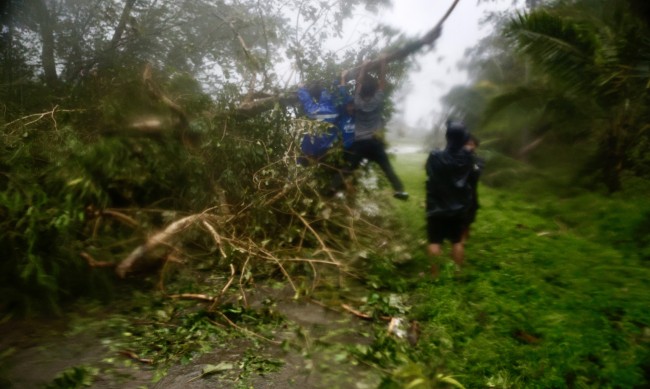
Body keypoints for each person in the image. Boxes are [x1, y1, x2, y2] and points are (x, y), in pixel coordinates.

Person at [332, 58, 408, 200]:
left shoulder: (357, 101)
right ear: (373, 91)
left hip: (360, 143)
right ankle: (400, 190)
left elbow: (358, 83)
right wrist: (383, 63)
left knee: (349, 168)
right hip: (374, 143)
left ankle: (333, 187)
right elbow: (382, 82)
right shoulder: (377, 101)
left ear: (361, 92)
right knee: (387, 167)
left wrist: (364, 67)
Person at [425, 121, 474, 276]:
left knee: (434, 242)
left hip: (436, 206)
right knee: (457, 241)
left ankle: (435, 276)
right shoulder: (467, 158)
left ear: (447, 137)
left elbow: (428, 172)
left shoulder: (435, 156)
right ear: (463, 139)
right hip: (458, 207)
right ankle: (457, 273)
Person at [296, 80, 340, 163]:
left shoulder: (331, 104)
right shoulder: (326, 108)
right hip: (330, 110)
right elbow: (309, 106)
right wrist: (301, 89)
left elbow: (309, 106)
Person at [462, 134, 484, 243]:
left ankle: (466, 231)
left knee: (470, 213)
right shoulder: (458, 158)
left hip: (471, 192)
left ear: (476, 146)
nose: (468, 146)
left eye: (471, 144)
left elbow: (476, 174)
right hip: (459, 192)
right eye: (466, 144)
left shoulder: (478, 160)